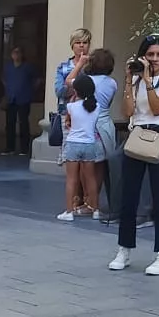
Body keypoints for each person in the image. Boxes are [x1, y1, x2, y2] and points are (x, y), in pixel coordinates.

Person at [113, 34, 159, 276]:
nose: (154, 59)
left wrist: (147, 80)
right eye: (150, 54)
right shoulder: (134, 77)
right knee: (128, 197)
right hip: (136, 137)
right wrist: (128, 79)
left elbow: (157, 108)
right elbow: (127, 112)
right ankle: (124, 249)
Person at [58, 74, 104, 221]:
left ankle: (69, 211)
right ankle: (95, 209)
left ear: (76, 91)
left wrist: (73, 98)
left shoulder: (71, 106)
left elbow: (69, 120)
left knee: (72, 179)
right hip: (89, 144)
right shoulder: (97, 107)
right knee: (90, 178)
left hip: (73, 144)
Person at [87, 49, 121, 221]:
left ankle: (90, 203)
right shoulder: (112, 83)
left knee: (86, 167)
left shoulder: (85, 81)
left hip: (88, 125)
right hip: (106, 126)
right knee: (101, 166)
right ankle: (97, 201)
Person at [2, 46, 37, 156]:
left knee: (24, 124)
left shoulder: (28, 67)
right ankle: (9, 148)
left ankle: (24, 149)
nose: (16, 55)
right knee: (9, 124)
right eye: (14, 53)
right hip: (11, 98)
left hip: (24, 98)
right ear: (11, 55)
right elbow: (3, 78)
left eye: (18, 52)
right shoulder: (8, 67)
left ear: (22, 54)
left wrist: (30, 90)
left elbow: (37, 79)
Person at [55, 28, 94, 115]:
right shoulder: (63, 67)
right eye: (78, 42)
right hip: (66, 112)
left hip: (89, 113)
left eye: (85, 42)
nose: (81, 45)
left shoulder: (94, 65)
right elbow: (59, 92)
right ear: (72, 45)